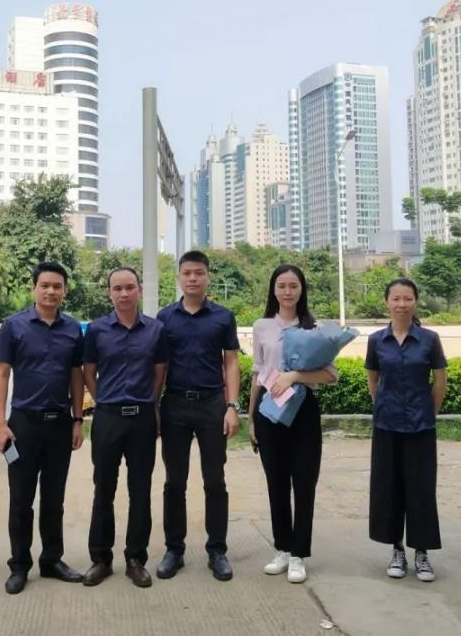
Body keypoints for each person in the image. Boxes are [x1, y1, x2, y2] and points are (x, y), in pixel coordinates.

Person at [0, 263, 86, 594]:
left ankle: (51, 560)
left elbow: (76, 375)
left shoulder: (73, 329)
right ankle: (19, 565)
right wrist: (0, 423)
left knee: (54, 499)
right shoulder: (13, 326)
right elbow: (2, 373)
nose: (51, 291)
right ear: (34, 288)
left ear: (64, 291)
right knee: (21, 499)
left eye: (57, 286)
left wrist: (78, 419)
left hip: (59, 424)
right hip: (23, 426)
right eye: (45, 285)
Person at [76, 267, 167, 589]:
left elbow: (159, 373)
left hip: (142, 418)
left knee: (140, 490)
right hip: (108, 418)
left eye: (129, 287)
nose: (124, 293)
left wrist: (151, 404)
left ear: (139, 290)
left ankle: (135, 559)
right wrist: (103, 399)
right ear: (109, 293)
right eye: (118, 288)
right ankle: (101, 559)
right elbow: (88, 372)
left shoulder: (155, 330)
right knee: (104, 488)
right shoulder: (97, 330)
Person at [155, 250, 241, 582]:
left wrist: (231, 406)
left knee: (214, 480)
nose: (193, 278)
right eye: (187, 273)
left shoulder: (223, 317)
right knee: (174, 481)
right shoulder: (165, 317)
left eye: (199, 273)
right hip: (175, 405)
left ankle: (217, 550)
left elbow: (231, 362)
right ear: (179, 277)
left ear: (207, 277)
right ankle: (173, 549)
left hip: (211, 405)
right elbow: (159, 367)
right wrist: (154, 406)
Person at [248, 264, 338, 584]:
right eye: (282, 286)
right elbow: (258, 373)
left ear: (302, 290)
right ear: (273, 290)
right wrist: (251, 418)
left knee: (303, 482)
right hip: (269, 409)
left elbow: (330, 374)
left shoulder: (315, 328)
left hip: (303, 409)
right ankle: (282, 549)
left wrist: (295, 376)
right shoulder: (262, 326)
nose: (287, 291)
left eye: (293, 286)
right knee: (276, 482)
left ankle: (299, 554)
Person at [365, 278, 447, 582]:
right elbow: (373, 380)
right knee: (389, 488)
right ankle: (397, 550)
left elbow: (440, 382)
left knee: (421, 488)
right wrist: (384, 405)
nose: (402, 304)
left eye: (407, 298)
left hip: (420, 426)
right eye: (396, 299)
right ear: (387, 302)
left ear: (416, 301)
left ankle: (422, 553)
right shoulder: (376, 340)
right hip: (386, 425)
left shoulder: (429, 339)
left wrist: (428, 412)